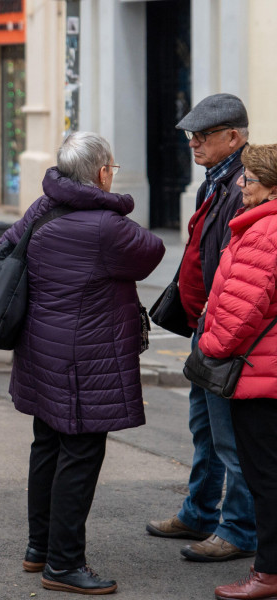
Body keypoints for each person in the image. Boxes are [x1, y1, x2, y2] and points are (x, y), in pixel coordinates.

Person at [0, 132, 164, 594]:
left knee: (47, 444)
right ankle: (64, 565)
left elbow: (1, 250)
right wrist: (114, 205)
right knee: (81, 453)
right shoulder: (106, 228)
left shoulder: (42, 208)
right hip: (85, 357)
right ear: (103, 173)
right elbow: (152, 252)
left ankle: (40, 549)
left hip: (41, 350)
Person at [146, 93, 257, 563]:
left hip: (227, 331)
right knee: (204, 428)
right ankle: (199, 511)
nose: (193, 142)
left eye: (204, 135)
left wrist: (218, 324)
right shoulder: (214, 181)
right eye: (191, 135)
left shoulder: (244, 186)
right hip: (207, 327)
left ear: (233, 137)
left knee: (230, 437)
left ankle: (238, 529)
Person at [198, 144, 277, 600]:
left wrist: (209, 349)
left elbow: (240, 311)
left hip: (259, 374)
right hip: (266, 367)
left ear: (269, 185)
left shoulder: (264, 230)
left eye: (248, 178)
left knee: (264, 474)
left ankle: (268, 573)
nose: (241, 185)